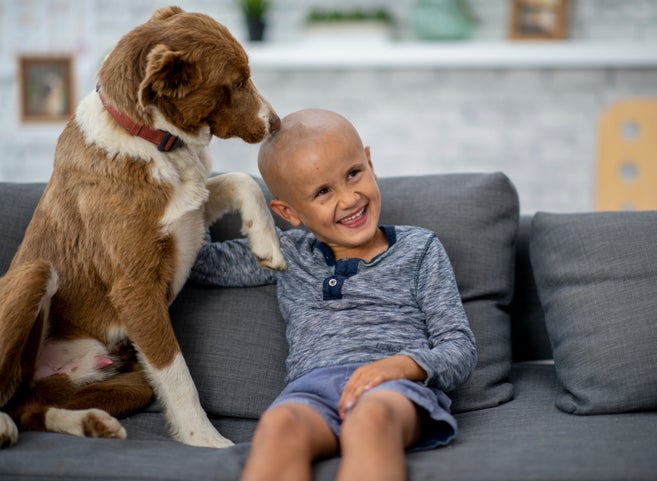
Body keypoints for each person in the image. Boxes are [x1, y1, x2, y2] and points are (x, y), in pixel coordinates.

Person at [190, 108, 477, 481]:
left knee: (371, 417)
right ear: (289, 212)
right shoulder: (284, 253)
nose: (349, 198)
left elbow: (459, 348)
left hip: (394, 387)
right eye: (323, 191)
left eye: (353, 174)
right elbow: (199, 263)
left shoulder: (419, 249)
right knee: (278, 424)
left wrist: (401, 365)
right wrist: (189, 181)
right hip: (311, 393)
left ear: (370, 163)